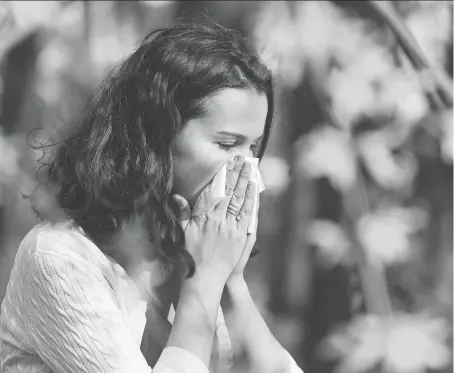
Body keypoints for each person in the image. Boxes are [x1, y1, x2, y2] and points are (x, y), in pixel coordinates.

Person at [0, 22, 304, 373]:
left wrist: (231, 281)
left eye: (252, 147)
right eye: (226, 144)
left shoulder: (184, 248)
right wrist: (203, 282)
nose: (246, 168)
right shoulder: (59, 258)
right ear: (157, 137)